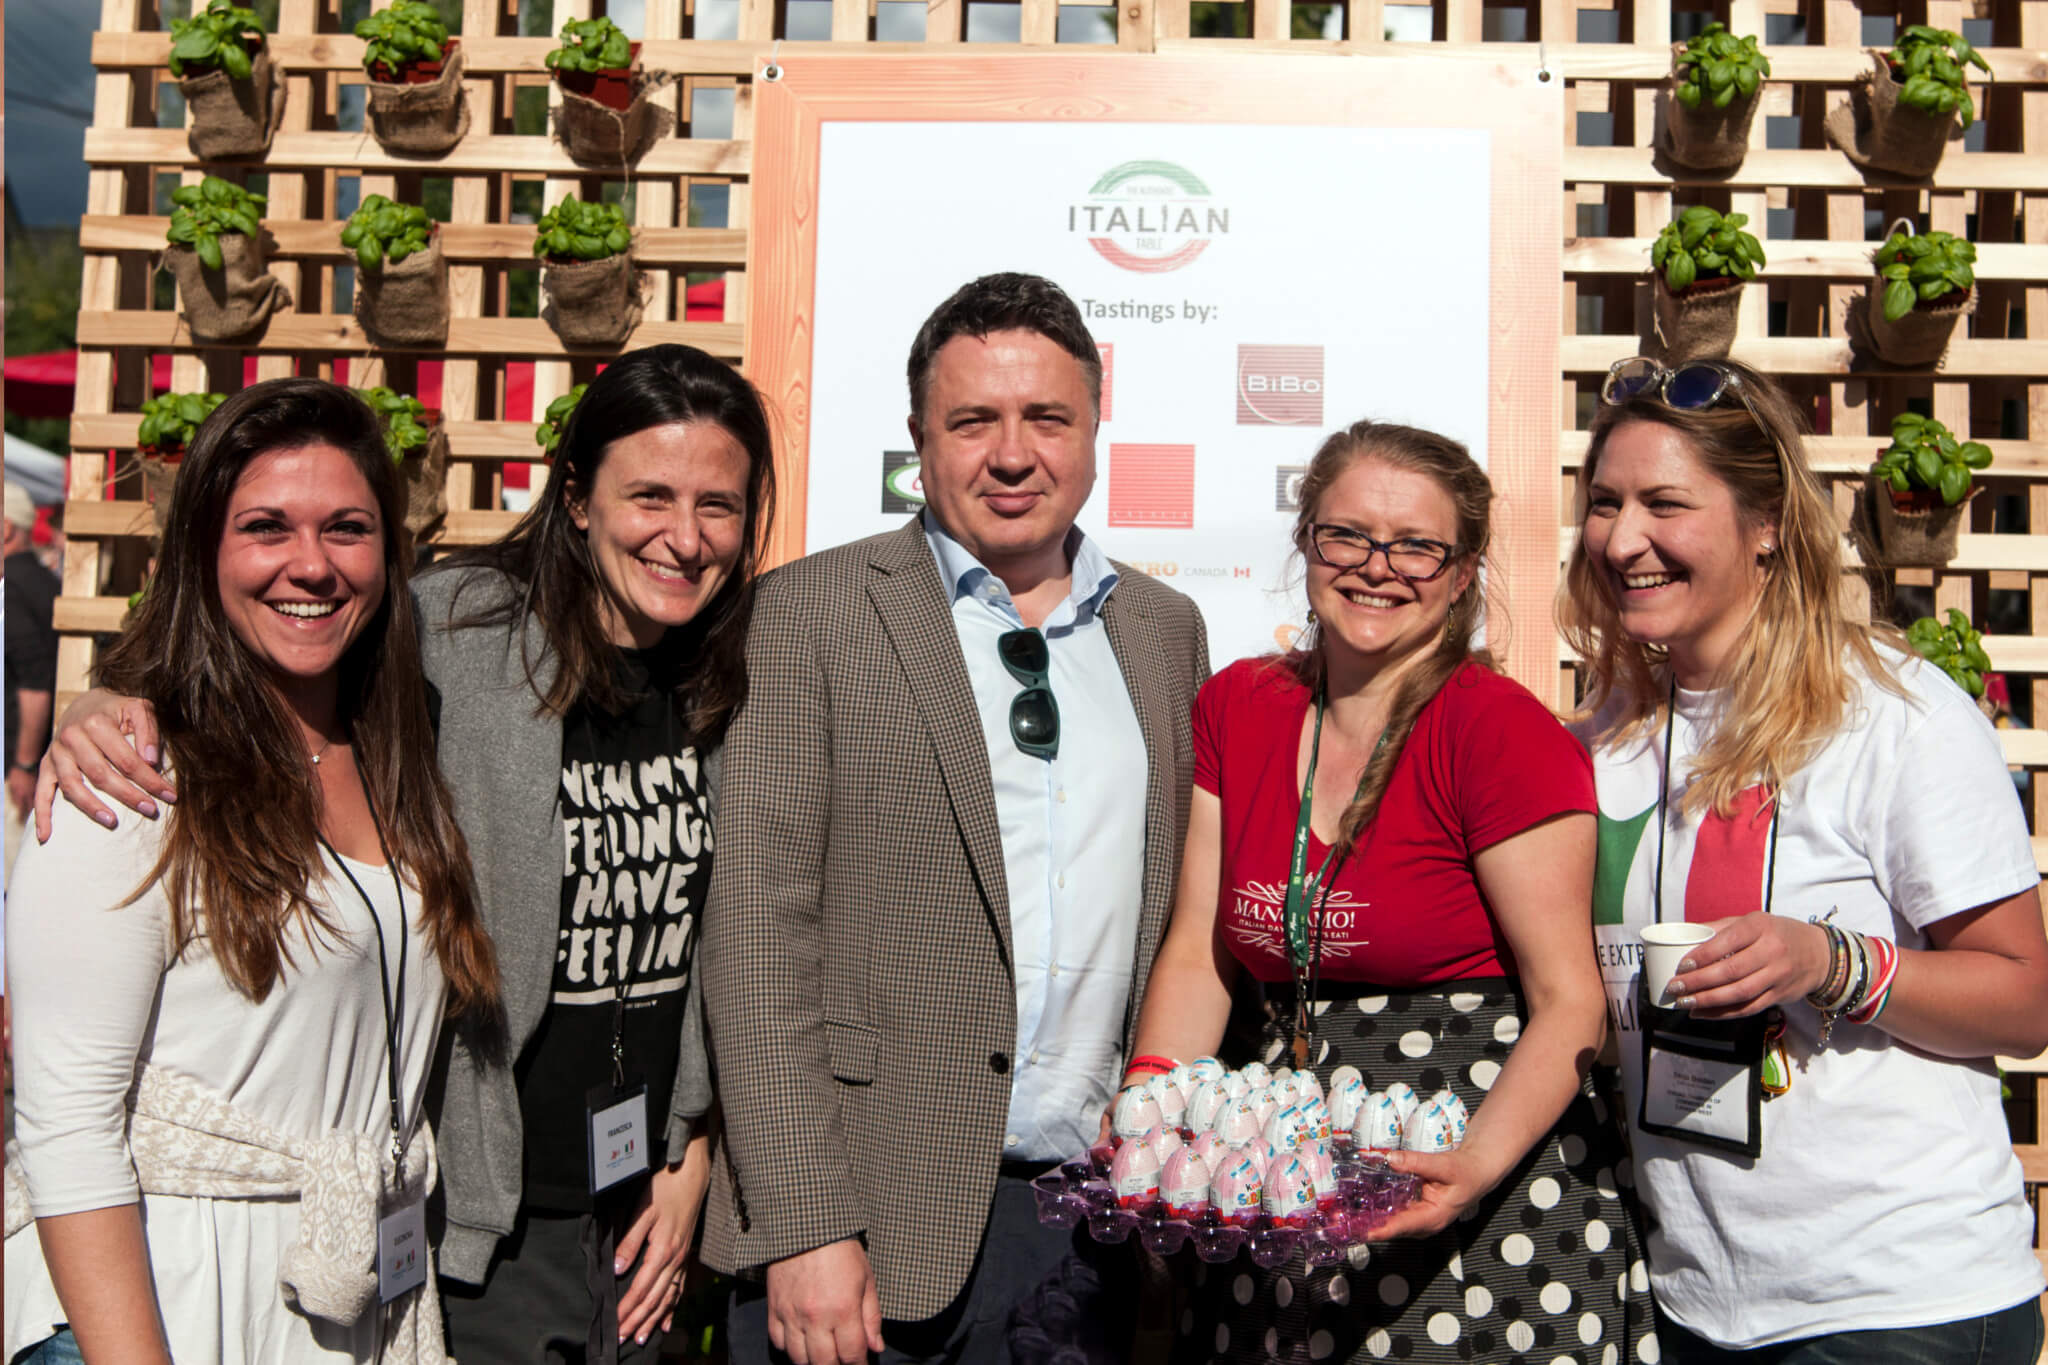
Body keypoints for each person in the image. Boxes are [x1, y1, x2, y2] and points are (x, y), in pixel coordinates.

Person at [33, 345, 780, 1363]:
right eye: (650, 494)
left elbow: (734, 937)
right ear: (575, 497)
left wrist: (692, 1146)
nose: (684, 538)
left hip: (641, 1207)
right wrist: (105, 704)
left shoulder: (740, 672)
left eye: (717, 506)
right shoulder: (453, 634)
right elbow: (259, 639)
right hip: (474, 1224)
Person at [702, 271, 1210, 1365]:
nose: (1012, 455)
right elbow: (752, 936)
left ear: (1094, 429)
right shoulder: (808, 613)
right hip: (863, 1233)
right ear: (919, 437)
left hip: (1090, 1229)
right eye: (973, 419)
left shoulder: (1166, 631)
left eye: (1046, 418)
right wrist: (803, 1221)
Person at [1128, 420, 1652, 1364]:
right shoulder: (1239, 706)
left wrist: (1469, 1166)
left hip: (1478, 1188)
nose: (1378, 567)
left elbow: (1572, 1001)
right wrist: (1152, 1111)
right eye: (1348, 536)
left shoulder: (1499, 730)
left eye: (1417, 545)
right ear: (1306, 542)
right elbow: (1203, 953)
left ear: (1462, 573)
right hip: (1280, 1186)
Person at [3, 377, 500, 1364]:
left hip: (338, 1298)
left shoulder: (399, 757)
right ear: (203, 551)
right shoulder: (131, 782)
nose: (310, 564)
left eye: (347, 528)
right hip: (163, 1305)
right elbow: (67, 1128)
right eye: (266, 527)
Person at [1562, 356, 2048, 1363]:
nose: (1621, 538)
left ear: (1767, 524)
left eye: (1664, 504)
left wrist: (1831, 962)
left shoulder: (1896, 716)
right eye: (1604, 503)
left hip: (1894, 1300)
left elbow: (2023, 999)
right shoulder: (1604, 736)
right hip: (1692, 1296)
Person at [6, 479, 60, 874]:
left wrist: (23, 764)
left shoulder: (11, 585)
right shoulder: (43, 581)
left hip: (15, 770)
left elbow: (35, 681)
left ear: (6, 527)